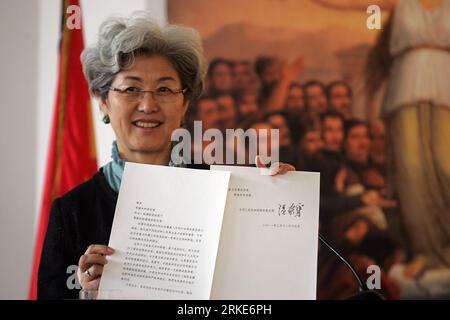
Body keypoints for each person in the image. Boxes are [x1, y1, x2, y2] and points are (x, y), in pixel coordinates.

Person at [37, 12, 294, 300]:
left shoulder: (226, 191)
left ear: (184, 104)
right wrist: (90, 296)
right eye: (131, 88)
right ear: (102, 100)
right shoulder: (71, 211)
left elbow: (263, 289)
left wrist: (276, 202)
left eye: (164, 89)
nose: (148, 105)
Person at [312, 0, 450, 268]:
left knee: (446, 165)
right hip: (405, 87)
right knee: (411, 169)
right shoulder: (401, 3)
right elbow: (352, 4)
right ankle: (424, 251)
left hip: (445, 85)